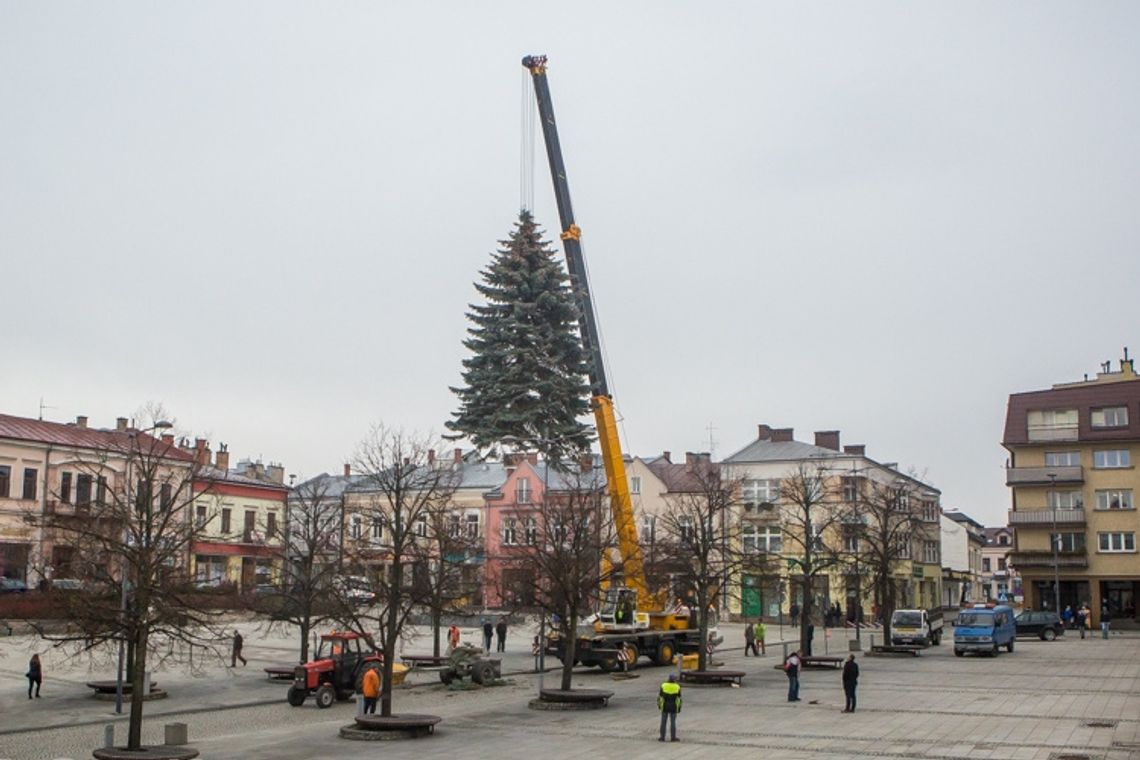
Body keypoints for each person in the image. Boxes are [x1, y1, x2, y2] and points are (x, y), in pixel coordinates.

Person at [657, 673, 682, 742]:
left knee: (663, 722)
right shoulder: (677, 686)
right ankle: (673, 737)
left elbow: (660, 697)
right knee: (673, 722)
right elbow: (679, 698)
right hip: (673, 706)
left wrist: (659, 705)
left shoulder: (663, 685)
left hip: (664, 706)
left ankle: (662, 737)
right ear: (674, 680)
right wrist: (679, 707)